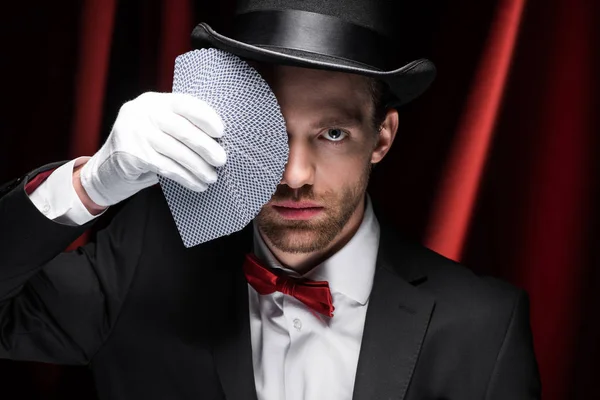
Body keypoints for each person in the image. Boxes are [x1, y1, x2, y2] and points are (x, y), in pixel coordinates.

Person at [0, 0, 541, 399]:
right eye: (269, 133)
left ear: (382, 136)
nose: (294, 174)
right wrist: (90, 185)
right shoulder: (138, 267)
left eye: (332, 134)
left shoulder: (483, 327)